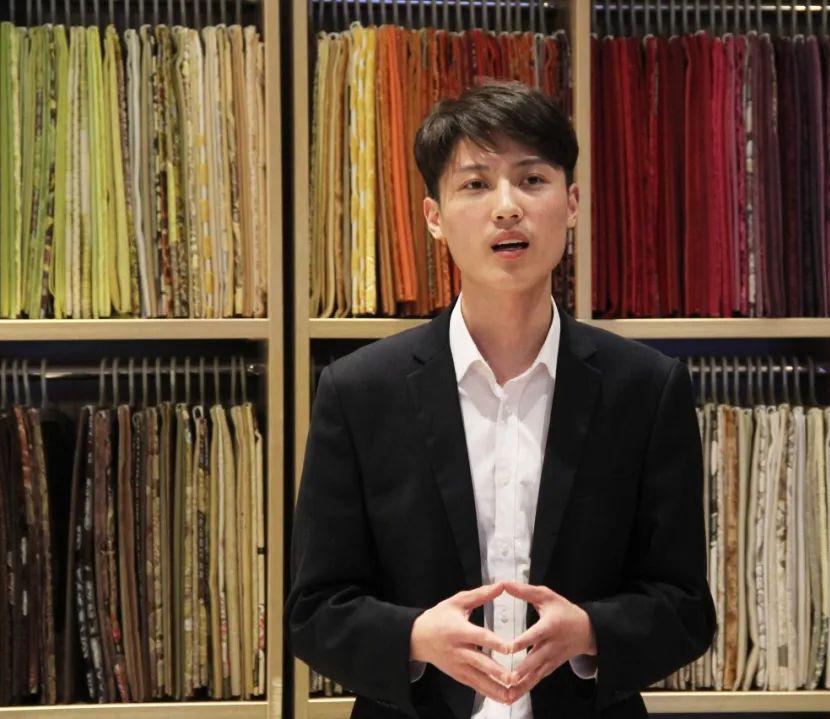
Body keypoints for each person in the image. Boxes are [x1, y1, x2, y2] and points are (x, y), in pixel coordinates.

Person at [285, 79, 715, 719]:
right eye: (476, 184)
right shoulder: (359, 391)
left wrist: (590, 631)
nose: (507, 207)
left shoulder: (646, 388)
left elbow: (685, 607)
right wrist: (415, 638)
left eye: (532, 179)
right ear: (434, 217)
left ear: (571, 203)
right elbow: (315, 610)